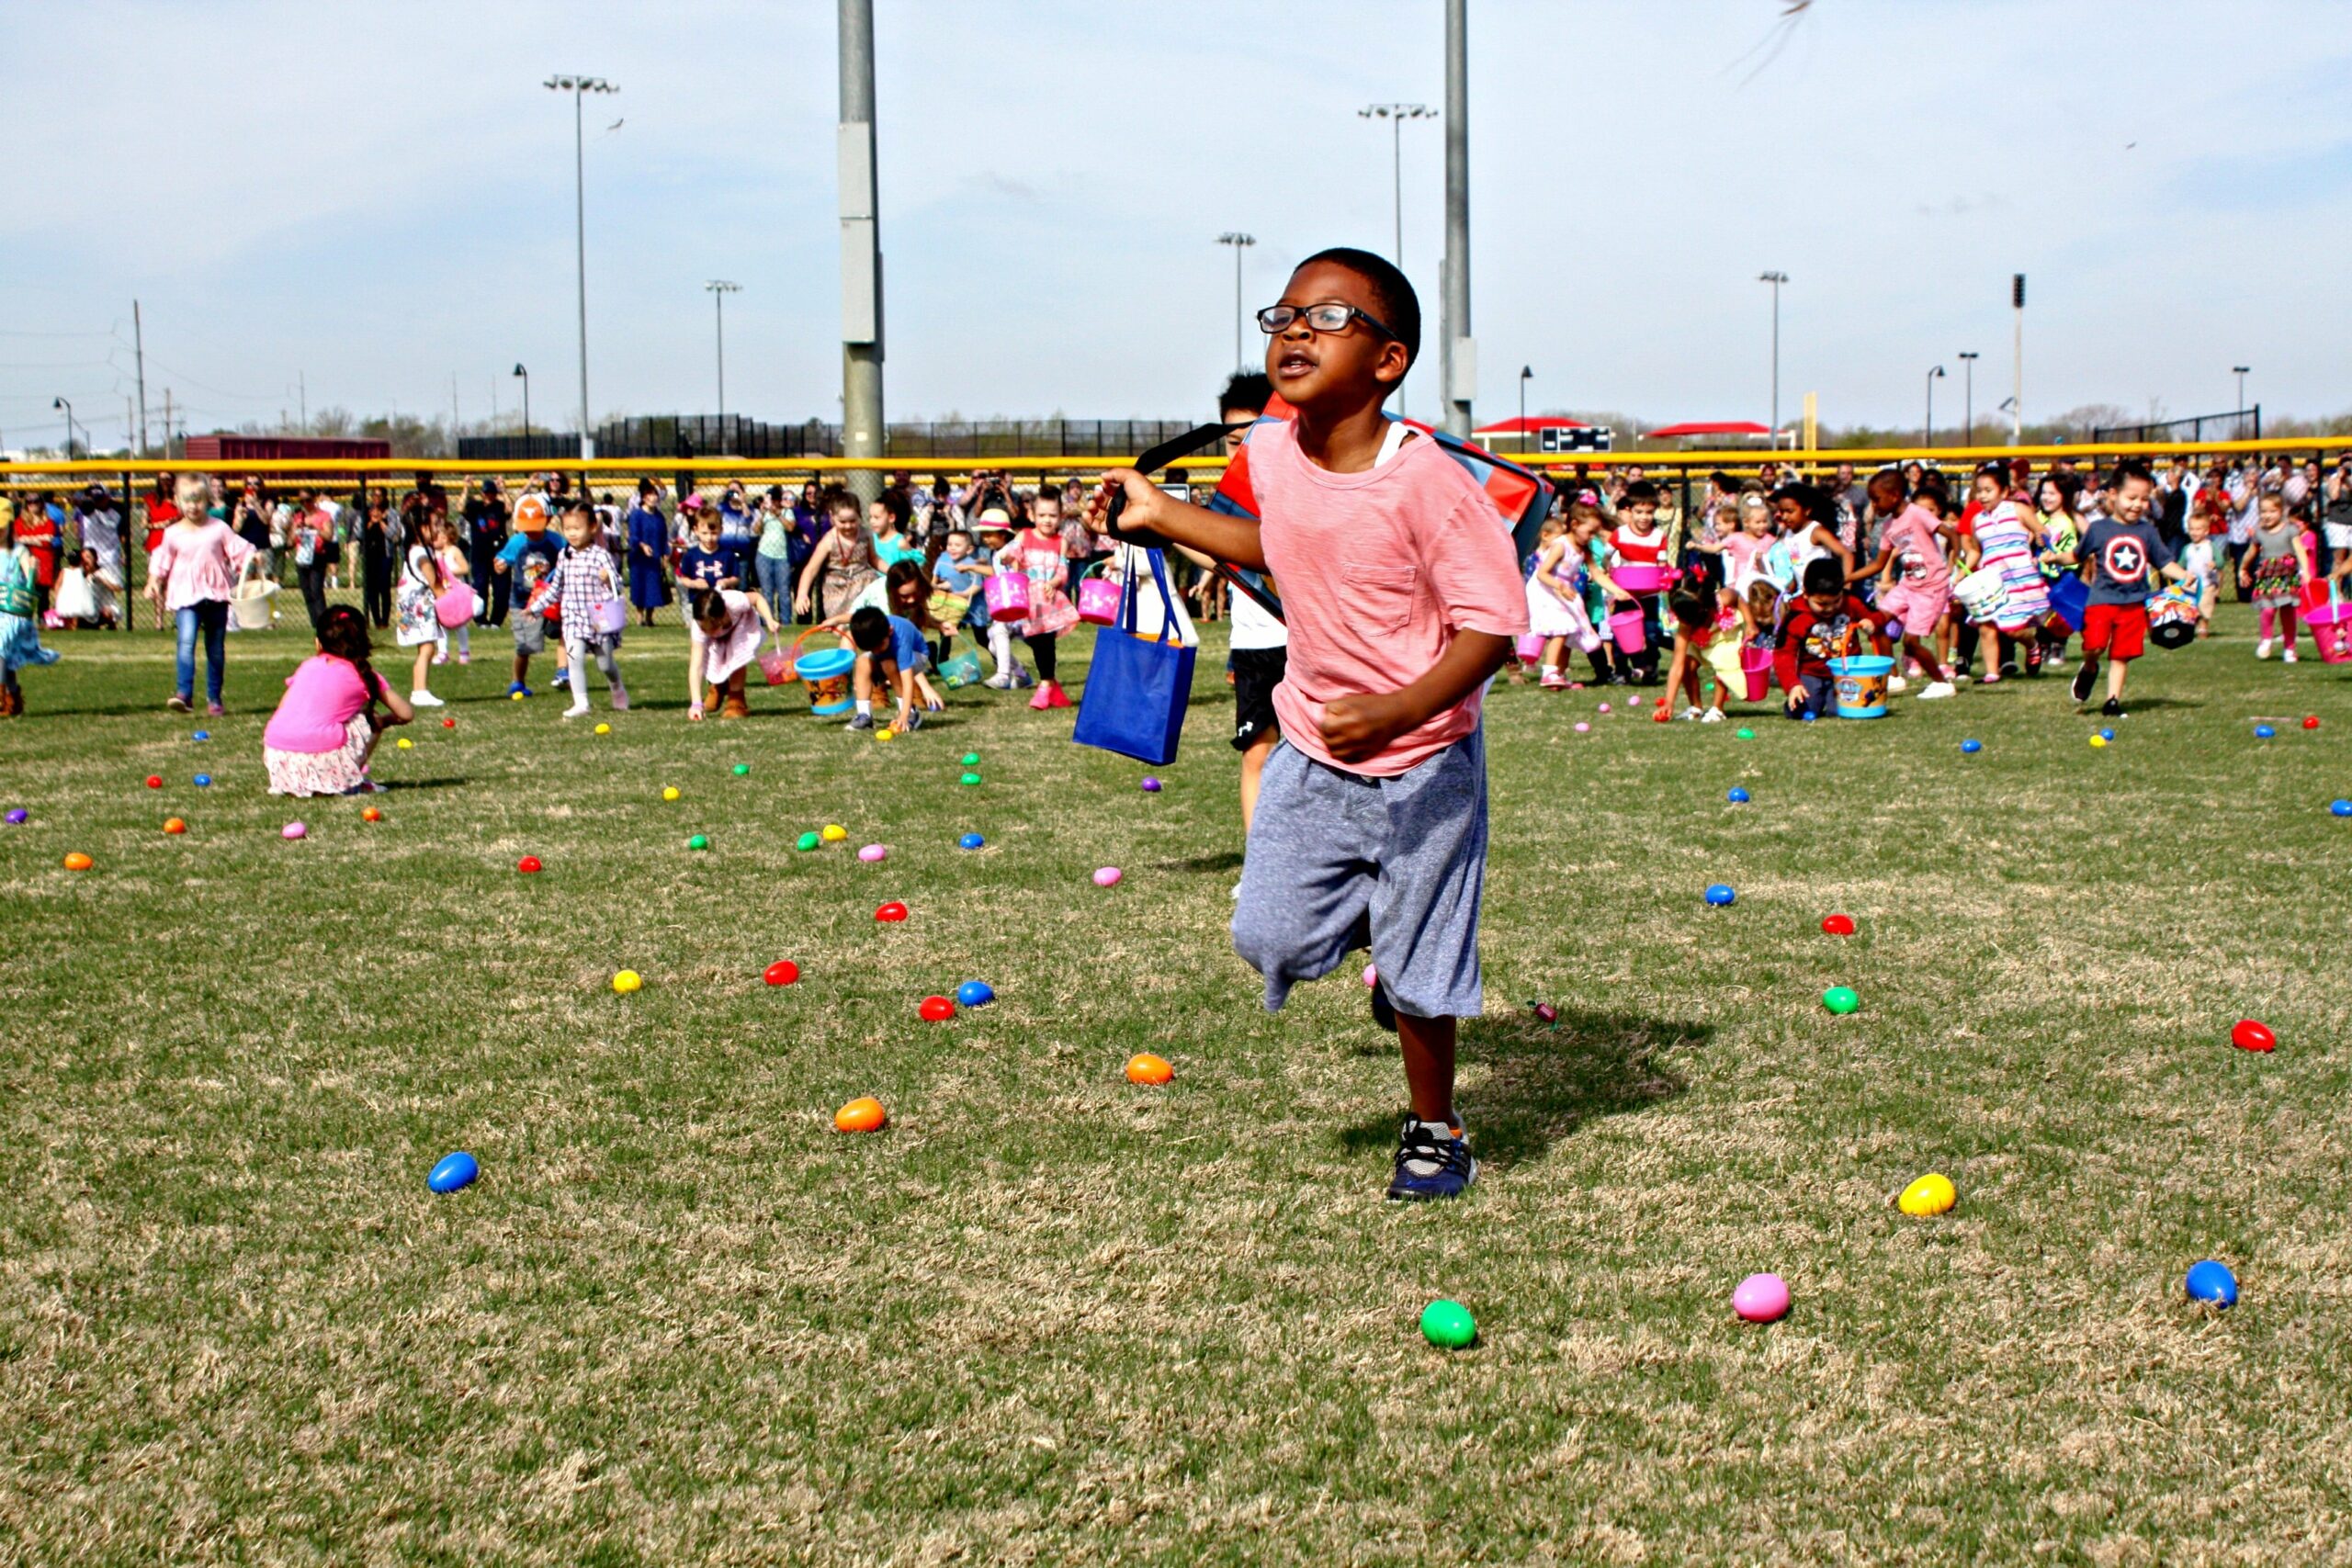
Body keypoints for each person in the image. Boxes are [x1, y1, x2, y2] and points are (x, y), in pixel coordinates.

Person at [1085, 246, 1525, 1201]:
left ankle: (1434, 1126)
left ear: (1387, 360)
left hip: (1423, 759)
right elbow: (1275, 547)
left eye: (1327, 317)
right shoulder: (1271, 453)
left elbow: (1494, 622)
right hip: (1314, 748)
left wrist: (1405, 706)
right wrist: (1163, 513)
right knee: (1269, 936)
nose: (1294, 329)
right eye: (1283, 313)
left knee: (1421, 968)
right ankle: (1380, 929)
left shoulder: (1428, 480)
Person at [2071, 460, 2185, 716]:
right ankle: (2089, 668)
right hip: (2101, 600)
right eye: (2131, 497)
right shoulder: (2098, 529)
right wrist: (2056, 558)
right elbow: (2077, 555)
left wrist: (2184, 576)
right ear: (2113, 494)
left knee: (2121, 655)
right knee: (2095, 647)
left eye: (2144, 499)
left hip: (2134, 602)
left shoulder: (2147, 531)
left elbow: (2165, 562)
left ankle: (2112, 701)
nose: (2138, 505)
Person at [263, 604, 413, 795]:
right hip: (318, 757)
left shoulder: (307, 666)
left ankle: (304, 784)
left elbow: (282, 709)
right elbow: (406, 713)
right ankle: (346, 781)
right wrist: (384, 721)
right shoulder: (363, 675)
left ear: (318, 643)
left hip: (279, 760)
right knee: (370, 718)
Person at [145, 476, 255, 716]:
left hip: (216, 595)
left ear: (208, 500)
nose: (193, 506)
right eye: (187, 500)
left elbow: (239, 550)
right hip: (186, 595)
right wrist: (153, 581)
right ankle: (184, 694)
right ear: (177, 501)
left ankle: (214, 698)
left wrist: (252, 559)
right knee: (186, 642)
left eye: (198, 500)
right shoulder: (173, 533)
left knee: (215, 648)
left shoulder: (218, 528)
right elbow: (161, 559)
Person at [1848, 469, 1959, 699]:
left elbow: (1951, 535)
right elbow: (1878, 565)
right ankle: (1894, 678)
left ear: (1895, 495)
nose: (1873, 504)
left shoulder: (1917, 514)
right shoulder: (1889, 526)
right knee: (1876, 624)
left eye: (1877, 498)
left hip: (1931, 588)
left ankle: (1942, 682)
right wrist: (1847, 578)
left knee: (1910, 643)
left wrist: (1952, 565)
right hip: (1908, 585)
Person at [1959, 463, 2050, 682]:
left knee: (2013, 629)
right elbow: (1975, 551)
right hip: (1993, 582)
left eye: (1988, 490)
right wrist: (1959, 574)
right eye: (1979, 491)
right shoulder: (1977, 521)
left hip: (2020, 579)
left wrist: (2043, 544)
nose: (1982, 495)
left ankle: (2032, 644)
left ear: (2004, 491)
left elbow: (2041, 530)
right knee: (1986, 625)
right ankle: (1992, 672)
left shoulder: (2018, 509)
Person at [1772, 558, 1894, 719]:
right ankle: (1799, 703)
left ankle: (1832, 700)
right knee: (1804, 711)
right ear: (1806, 593)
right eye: (1822, 604)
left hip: (1846, 672)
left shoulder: (1851, 602)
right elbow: (1783, 653)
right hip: (1811, 673)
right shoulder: (1796, 616)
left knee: (1842, 712)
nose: (1830, 609)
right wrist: (1792, 685)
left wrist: (1872, 622)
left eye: (1836, 601)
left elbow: (1877, 616)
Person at [550, 499, 629, 716]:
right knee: (573, 656)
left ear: (593, 527)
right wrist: (536, 608)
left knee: (605, 664)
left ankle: (617, 687)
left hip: (598, 619)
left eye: (577, 528)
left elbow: (618, 584)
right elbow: (556, 586)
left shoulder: (600, 554)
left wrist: (607, 578)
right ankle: (581, 703)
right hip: (573, 618)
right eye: (567, 529)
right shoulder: (564, 555)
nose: (572, 533)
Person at [1007, 499, 1078, 709]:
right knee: (1037, 642)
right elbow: (1011, 556)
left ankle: (1045, 685)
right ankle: (1053, 687)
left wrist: (1054, 582)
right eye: (1042, 515)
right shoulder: (1024, 535)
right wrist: (1008, 556)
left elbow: (1063, 570)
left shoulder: (1061, 541)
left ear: (1060, 517)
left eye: (1052, 516)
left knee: (1047, 641)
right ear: (1032, 515)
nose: (1047, 520)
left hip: (1049, 599)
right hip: (1029, 600)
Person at [492, 492, 564, 697]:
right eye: (527, 526)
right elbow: (501, 559)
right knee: (525, 647)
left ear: (548, 520)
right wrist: (500, 566)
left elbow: (569, 556)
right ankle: (518, 682)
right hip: (523, 603)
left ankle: (564, 671)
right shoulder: (517, 542)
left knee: (566, 631)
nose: (531, 531)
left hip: (551, 600)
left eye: (536, 525)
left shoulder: (556, 541)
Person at [1521, 511, 1600, 690]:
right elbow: (1542, 574)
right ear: (1574, 525)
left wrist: (1618, 591)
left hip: (1562, 591)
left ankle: (1559, 675)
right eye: (1590, 532)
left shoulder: (1583, 549)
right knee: (1562, 628)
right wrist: (1561, 586)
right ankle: (1549, 673)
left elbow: (1596, 573)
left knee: (1569, 630)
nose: (1593, 537)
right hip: (1546, 589)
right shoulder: (1561, 546)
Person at [395, 513, 462, 708]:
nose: (437, 529)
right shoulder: (421, 553)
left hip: (413, 604)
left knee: (425, 648)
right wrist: (453, 605)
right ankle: (420, 691)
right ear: (421, 528)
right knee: (427, 648)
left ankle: (418, 691)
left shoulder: (415, 550)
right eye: (434, 525)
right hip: (418, 606)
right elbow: (434, 583)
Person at [685, 585, 779, 722]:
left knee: (737, 656)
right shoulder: (699, 628)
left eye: (710, 628)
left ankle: (736, 700)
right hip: (718, 637)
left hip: (740, 626)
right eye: (703, 628)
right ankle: (718, 686)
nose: (705, 632)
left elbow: (757, 598)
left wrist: (769, 620)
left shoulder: (734, 601)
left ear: (722, 615)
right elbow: (696, 666)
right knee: (712, 660)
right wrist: (696, 704)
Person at [2242, 492, 2314, 662]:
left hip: (2286, 577)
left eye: (2271, 511)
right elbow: (2251, 553)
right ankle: (2266, 640)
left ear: (2281, 511)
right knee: (2267, 609)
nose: (2267, 515)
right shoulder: (2259, 533)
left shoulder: (2291, 530)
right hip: (2267, 576)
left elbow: (2300, 551)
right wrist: (2242, 569)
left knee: (2288, 613)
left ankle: (2290, 649)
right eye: (2263, 511)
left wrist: (2306, 571)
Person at [794, 488, 881, 624]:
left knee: (866, 624)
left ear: (859, 516)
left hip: (863, 583)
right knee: (841, 627)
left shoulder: (866, 534)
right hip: (836, 589)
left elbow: (874, 559)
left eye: (852, 521)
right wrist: (802, 594)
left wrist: (893, 570)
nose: (848, 526)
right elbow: (811, 569)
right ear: (832, 517)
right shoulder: (829, 540)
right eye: (842, 522)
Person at [0, 521, 61, 716]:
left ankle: (1, 700)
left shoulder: (18, 550)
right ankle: (14, 698)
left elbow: (30, 578)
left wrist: (33, 570)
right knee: (6, 657)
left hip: (13, 610)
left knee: (0, 648)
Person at [844, 604, 928, 732]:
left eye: (879, 646)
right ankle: (864, 716)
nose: (876, 651)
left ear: (890, 631)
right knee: (862, 662)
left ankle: (911, 712)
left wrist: (904, 716)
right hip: (887, 657)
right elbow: (851, 618)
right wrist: (833, 621)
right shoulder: (875, 629)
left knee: (888, 663)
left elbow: (908, 682)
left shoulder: (901, 640)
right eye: (872, 649)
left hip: (917, 657)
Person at [751, 485, 795, 627]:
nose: (774, 502)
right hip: (764, 555)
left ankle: (786, 621)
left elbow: (790, 527)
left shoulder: (787, 512)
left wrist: (778, 514)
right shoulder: (765, 514)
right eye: (771, 499)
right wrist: (763, 513)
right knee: (767, 592)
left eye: (776, 499)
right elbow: (756, 530)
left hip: (782, 557)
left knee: (784, 592)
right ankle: (768, 620)